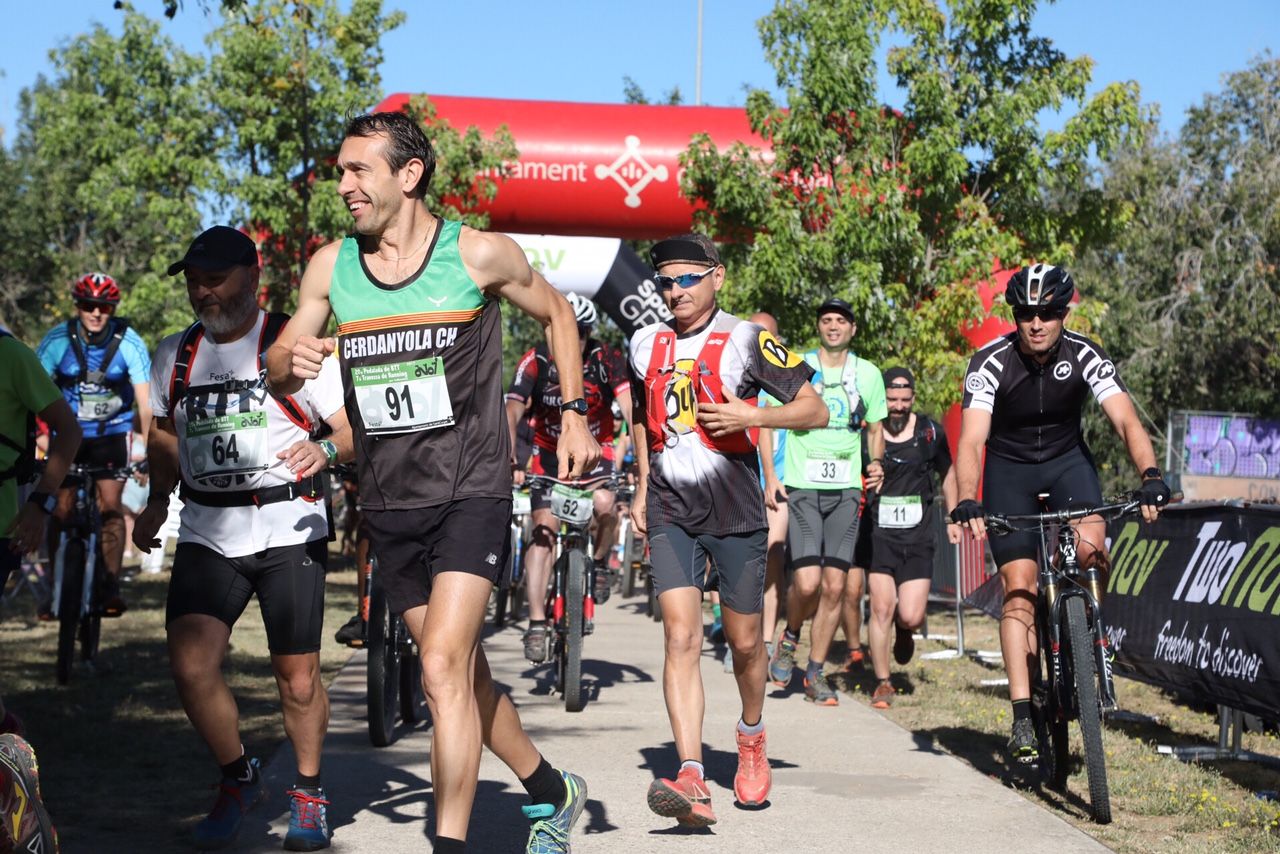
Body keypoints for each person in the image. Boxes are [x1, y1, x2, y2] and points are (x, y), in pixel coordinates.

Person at [266, 111, 598, 854]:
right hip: (388, 499)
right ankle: (553, 788)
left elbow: (558, 313)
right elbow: (279, 362)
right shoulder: (331, 266)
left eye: (360, 170)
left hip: (470, 490)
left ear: (409, 175)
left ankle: (448, 844)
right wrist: (293, 362)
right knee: (461, 674)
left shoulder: (475, 254)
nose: (344, 185)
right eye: (341, 172)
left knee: (441, 667)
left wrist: (575, 416)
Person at [132, 226, 354, 851]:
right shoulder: (175, 354)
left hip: (289, 525)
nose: (202, 292)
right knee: (190, 665)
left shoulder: (292, 345)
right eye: (194, 282)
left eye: (214, 279)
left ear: (252, 278)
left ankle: (308, 794)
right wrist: (156, 501)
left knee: (298, 679)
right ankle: (238, 777)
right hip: (209, 529)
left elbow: (350, 430)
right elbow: (165, 436)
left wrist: (325, 450)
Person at [629, 233, 826, 826]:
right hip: (671, 509)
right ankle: (691, 775)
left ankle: (751, 734)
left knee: (744, 644)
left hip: (735, 512)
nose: (676, 291)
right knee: (680, 637)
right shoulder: (645, 342)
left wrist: (753, 414)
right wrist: (642, 484)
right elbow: (641, 414)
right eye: (667, 281)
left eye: (688, 279)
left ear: (716, 276)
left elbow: (814, 409)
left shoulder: (747, 339)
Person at [951, 263, 1170, 764]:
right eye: (1026, 313)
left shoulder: (1085, 352)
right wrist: (967, 497)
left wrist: (1151, 476)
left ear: (1063, 314)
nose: (1036, 323)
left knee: (1092, 549)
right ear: (1015, 316)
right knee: (1020, 590)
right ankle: (1022, 717)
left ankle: (1088, 636)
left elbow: (1125, 420)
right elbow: (972, 440)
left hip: (1068, 463)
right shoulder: (990, 361)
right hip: (1009, 471)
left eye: (1048, 313)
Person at [766, 298, 885, 705]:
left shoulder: (868, 373)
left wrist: (877, 463)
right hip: (803, 487)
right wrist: (771, 476)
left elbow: (876, 429)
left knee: (835, 586)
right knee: (807, 582)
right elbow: (766, 420)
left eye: (841, 321)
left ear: (853, 329)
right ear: (819, 327)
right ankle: (790, 636)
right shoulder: (796, 365)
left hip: (847, 491)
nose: (834, 326)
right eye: (827, 320)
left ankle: (815, 674)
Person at [505, 291, 631, 660]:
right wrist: (509, 455)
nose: (572, 339)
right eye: (564, 330)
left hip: (595, 452)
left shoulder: (606, 358)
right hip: (549, 456)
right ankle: (536, 623)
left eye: (580, 333)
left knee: (606, 504)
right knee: (543, 531)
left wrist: (642, 455)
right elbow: (512, 410)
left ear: (589, 334)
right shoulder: (536, 359)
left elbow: (628, 405)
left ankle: (601, 561)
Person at [0, 328, 82, 854]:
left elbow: (68, 430)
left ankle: (19, 807)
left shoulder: (11, 355)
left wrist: (41, 502)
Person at [36, 273, 152, 613]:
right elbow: (33, 391)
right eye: (89, 305)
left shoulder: (129, 342)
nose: (96, 313)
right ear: (77, 306)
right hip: (67, 435)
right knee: (59, 508)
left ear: (113, 309)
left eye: (104, 306)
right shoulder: (57, 340)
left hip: (112, 433)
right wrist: (37, 437)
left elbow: (145, 405)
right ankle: (55, 589)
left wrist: (149, 451)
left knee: (111, 506)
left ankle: (110, 586)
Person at [863, 367, 961, 708]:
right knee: (880, 608)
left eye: (905, 400)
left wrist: (953, 515)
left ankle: (904, 630)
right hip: (879, 536)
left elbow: (948, 472)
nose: (899, 406)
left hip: (918, 538)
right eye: (892, 399)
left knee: (911, 615)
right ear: (883, 399)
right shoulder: (870, 434)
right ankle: (882, 682)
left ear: (913, 398)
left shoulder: (930, 432)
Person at [748, 311, 790, 665]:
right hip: (741, 481)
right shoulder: (734, 371)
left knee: (773, 555)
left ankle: (764, 641)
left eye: (766, 335)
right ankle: (742, 634)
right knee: (745, 561)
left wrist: (774, 478)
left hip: (779, 481)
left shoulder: (789, 375)